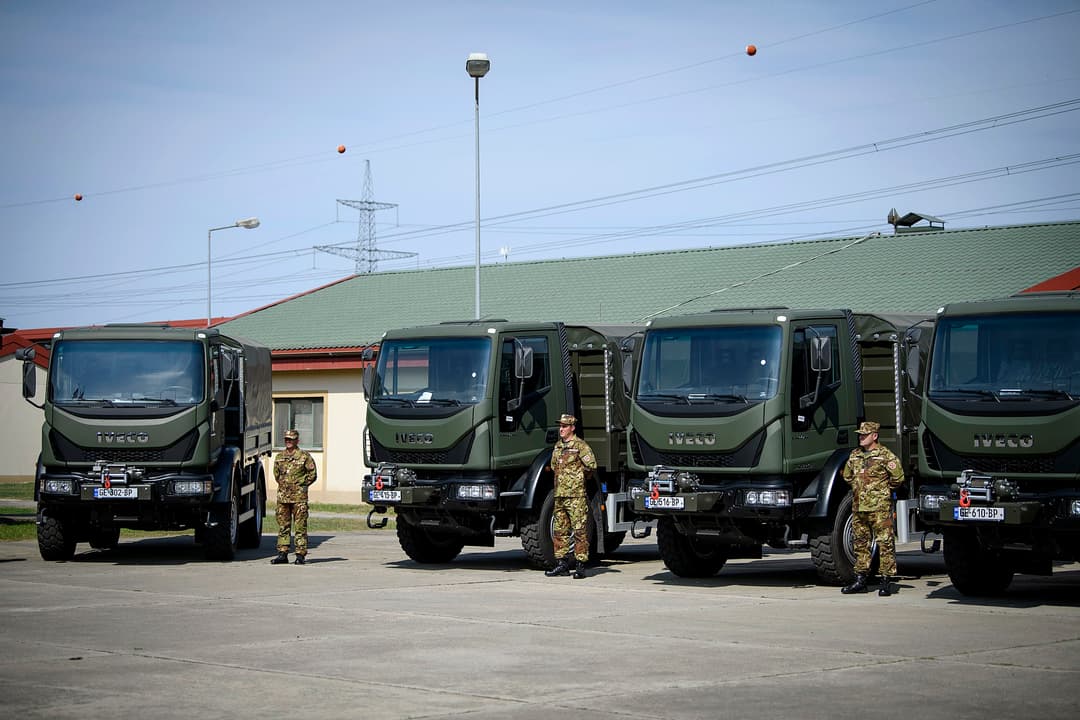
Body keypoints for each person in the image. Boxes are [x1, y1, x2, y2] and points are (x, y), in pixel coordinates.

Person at [840, 421, 905, 596]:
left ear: (874, 436)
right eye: (860, 434)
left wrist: (881, 491)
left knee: (885, 543)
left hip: (879, 508)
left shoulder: (885, 455)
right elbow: (847, 475)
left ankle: (885, 580)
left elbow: (898, 478)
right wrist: (859, 487)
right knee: (860, 544)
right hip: (859, 507)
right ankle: (860, 579)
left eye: (865, 434)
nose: (861, 437)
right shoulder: (855, 455)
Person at [544, 414, 597, 580]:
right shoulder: (558, 446)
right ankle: (562, 564)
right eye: (560, 426)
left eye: (565, 426)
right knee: (560, 530)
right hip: (560, 495)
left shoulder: (580, 446)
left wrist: (578, 479)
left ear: (572, 428)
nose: (561, 429)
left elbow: (591, 465)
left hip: (576, 497)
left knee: (580, 531)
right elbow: (553, 466)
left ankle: (580, 565)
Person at [271, 429, 317, 565]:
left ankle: (300, 554)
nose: (288, 442)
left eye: (291, 439)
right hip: (283, 498)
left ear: (297, 441)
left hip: (299, 499)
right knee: (283, 526)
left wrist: (301, 485)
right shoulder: (279, 457)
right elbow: (277, 475)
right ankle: (283, 553)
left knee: (300, 526)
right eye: (286, 439)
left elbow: (312, 474)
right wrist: (285, 486)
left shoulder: (304, 456)